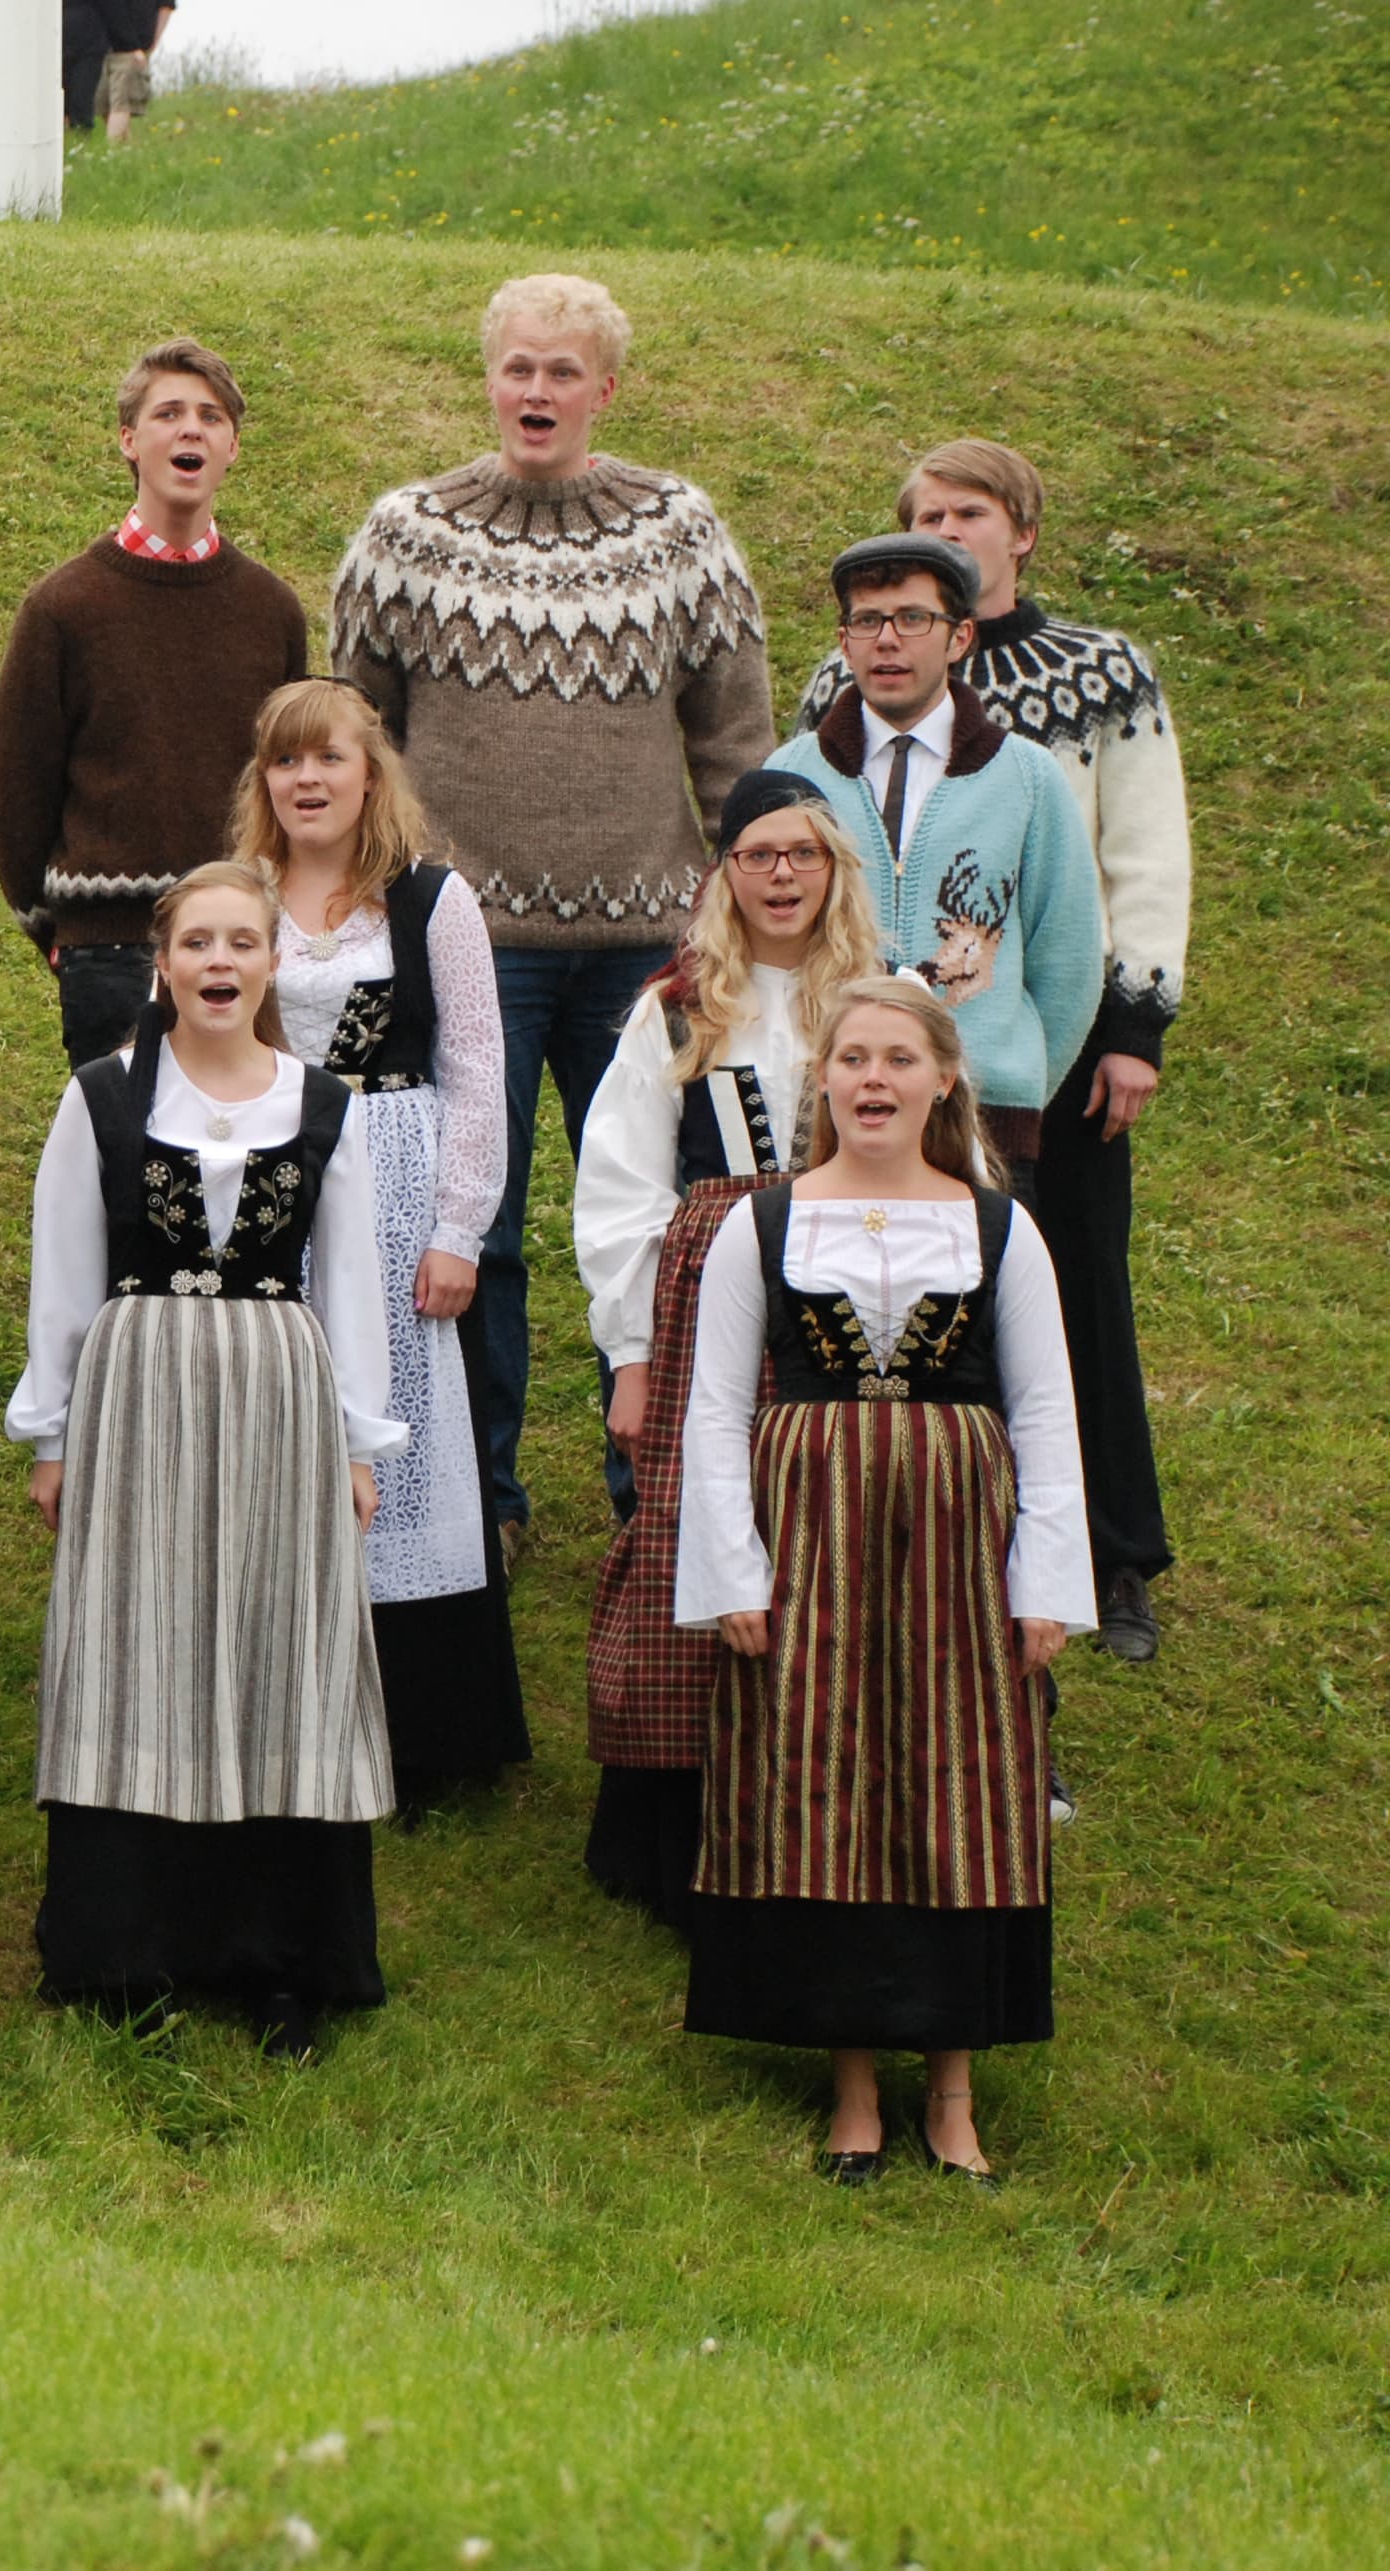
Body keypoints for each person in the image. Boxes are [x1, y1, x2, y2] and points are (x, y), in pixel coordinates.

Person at [333, 273, 774, 1552]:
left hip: (649, 952)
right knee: (470, 1223)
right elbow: (354, 730)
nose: (538, 392)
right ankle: (487, 1492)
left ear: (605, 388)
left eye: (563, 372)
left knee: (659, 1219)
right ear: (489, 377)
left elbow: (735, 739)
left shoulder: (680, 532)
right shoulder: (406, 534)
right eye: (518, 368)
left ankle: (663, 1483)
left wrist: (731, 896)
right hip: (469, 949)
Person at [674, 976, 1089, 2184]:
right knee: (822, 1778)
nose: (872, 1079)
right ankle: (854, 2089)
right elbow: (708, 1414)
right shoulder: (764, 1224)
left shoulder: (999, 1229)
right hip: (807, 1540)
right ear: (825, 1079)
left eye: (898, 1059)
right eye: (851, 1058)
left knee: (960, 1785)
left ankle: (952, 2096)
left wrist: (1045, 1583)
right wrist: (730, 1574)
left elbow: (1049, 1412)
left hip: (958, 1552)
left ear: (943, 1078)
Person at [797, 441, 1185, 1661]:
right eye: (926, 513)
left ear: (1020, 531)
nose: (948, 528)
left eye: (969, 514)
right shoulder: (834, 700)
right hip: (869, 1076)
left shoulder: (1098, 673)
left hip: (1029, 1061)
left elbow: (1133, 860)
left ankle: (1109, 1553)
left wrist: (1111, 1032)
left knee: (1072, 1299)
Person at [15, 861, 404, 2060]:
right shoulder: (103, 1098)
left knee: (276, 1644)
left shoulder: (322, 1103)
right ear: (163, 962)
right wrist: (55, 1434)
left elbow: (349, 1282)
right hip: (140, 1393)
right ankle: (129, 1948)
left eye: (244, 942)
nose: (221, 964)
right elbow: (67, 1268)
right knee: (145, 1645)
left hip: (280, 1396)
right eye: (199, 944)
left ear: (274, 963)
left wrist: (356, 1438)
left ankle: (283, 1960)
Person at [569, 775, 881, 1924]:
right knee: (692, 1546)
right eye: (759, 855)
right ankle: (675, 1835)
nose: (783, 875)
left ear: (834, 867)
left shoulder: (880, 1004)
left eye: (803, 853)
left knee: (833, 1542)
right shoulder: (682, 1007)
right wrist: (634, 1359)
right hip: (706, 1323)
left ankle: (819, 1812)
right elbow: (617, 1195)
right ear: (726, 873)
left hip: (851, 1323)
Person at [244, 683, 522, 1808]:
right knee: (282, 1403)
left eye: (329, 760)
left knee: (403, 1426)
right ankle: (285, 1702)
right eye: (284, 762)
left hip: (398, 1175)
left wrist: (461, 1227)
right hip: (270, 1174)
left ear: (372, 775)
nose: (306, 780)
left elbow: (477, 1067)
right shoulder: (238, 897)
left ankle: (425, 1728)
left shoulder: (428, 900)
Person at [0, 337, 308, 1068]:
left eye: (211, 416)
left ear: (232, 448)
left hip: (241, 946)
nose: (191, 428)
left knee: (242, 1161)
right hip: (110, 953)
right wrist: (60, 932)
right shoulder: (63, 607)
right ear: (130, 440)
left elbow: (291, 779)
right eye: (168, 413)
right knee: (124, 1166)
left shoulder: (272, 610)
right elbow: (15, 793)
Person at [761, 534, 1101, 1193]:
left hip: (984, 1125)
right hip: (823, 1125)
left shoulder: (1027, 780)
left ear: (960, 636)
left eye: (914, 619)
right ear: (844, 639)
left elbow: (1070, 965)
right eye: (868, 620)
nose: (888, 640)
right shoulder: (790, 777)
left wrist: (1004, 1077)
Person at [61, 0, 175, 142]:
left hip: (107, 44)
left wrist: (141, 45)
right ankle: (116, 150)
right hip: (106, 45)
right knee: (112, 105)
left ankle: (116, 151)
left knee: (112, 104)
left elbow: (166, 6)